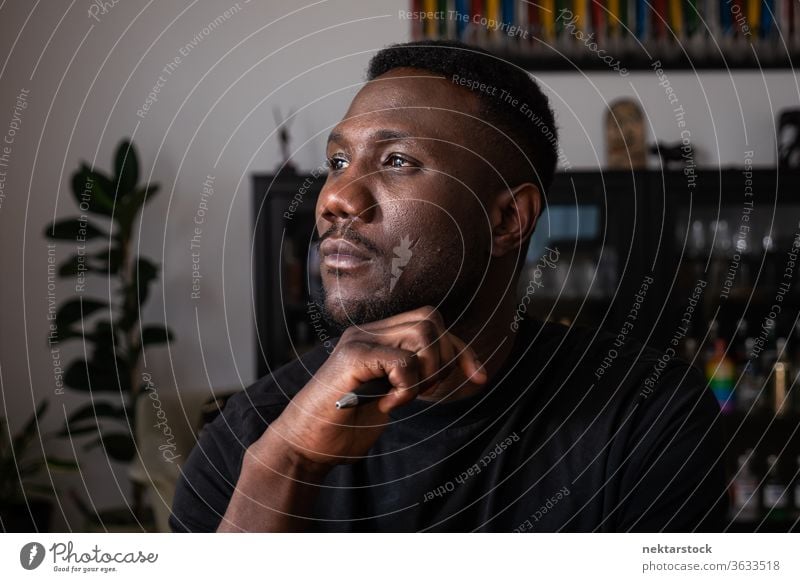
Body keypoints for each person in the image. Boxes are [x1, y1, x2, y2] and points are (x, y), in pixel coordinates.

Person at [169, 40, 728, 532]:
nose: (336, 197)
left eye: (396, 160)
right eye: (337, 161)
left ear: (508, 219)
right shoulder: (255, 433)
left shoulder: (644, 414)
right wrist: (287, 464)